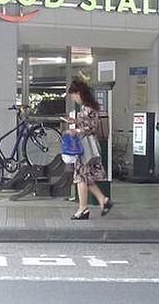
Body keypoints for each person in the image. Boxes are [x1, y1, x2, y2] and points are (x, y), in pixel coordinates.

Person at [67, 79, 113, 220]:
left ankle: (83, 209)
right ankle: (103, 200)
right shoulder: (89, 107)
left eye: (74, 96)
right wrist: (75, 122)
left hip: (85, 148)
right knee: (87, 177)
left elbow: (90, 128)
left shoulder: (88, 109)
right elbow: (88, 124)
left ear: (79, 93)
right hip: (87, 146)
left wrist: (75, 131)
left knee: (81, 177)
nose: (74, 99)